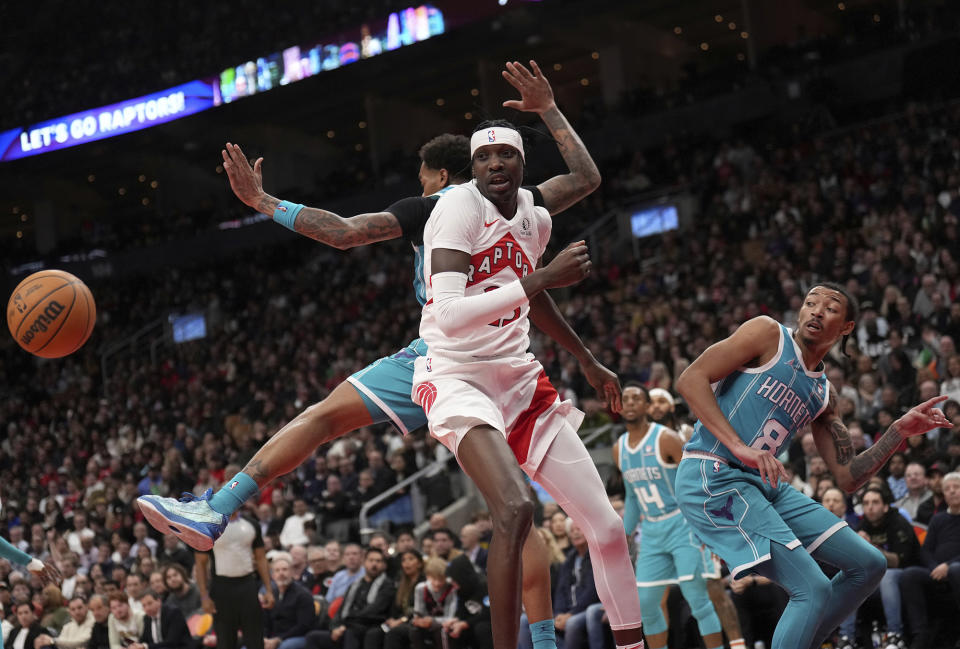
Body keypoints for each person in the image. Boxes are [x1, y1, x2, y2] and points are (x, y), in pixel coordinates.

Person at [139, 59, 619, 649]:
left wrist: (264, 203)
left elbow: (343, 232)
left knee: (323, 421)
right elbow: (570, 214)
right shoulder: (515, 206)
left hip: (444, 361)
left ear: (441, 174)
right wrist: (586, 355)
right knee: (514, 515)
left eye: (421, 175)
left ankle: (218, 509)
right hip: (483, 364)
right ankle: (541, 641)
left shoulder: (437, 206)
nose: (417, 185)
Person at [409, 84, 644, 647]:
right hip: (455, 376)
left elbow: (534, 297)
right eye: (484, 157)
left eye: (506, 155)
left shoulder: (535, 220)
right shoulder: (455, 208)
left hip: (518, 378)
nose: (495, 164)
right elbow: (448, 312)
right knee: (514, 508)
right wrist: (539, 277)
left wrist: (586, 360)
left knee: (608, 528)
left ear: (521, 164)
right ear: (471, 168)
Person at [674, 283, 951, 649]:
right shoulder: (767, 333)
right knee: (812, 587)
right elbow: (690, 378)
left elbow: (848, 476)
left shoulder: (823, 394)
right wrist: (741, 447)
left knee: (868, 564)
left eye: (830, 307)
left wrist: (897, 431)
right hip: (713, 473)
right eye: (810, 303)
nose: (816, 311)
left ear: (847, 327)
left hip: (762, 484)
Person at [613, 384, 724, 649]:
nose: (629, 403)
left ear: (647, 407)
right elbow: (631, 497)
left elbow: (697, 476)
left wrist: (705, 523)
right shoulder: (619, 449)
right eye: (625, 399)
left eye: (636, 398)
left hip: (681, 523)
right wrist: (625, 534)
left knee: (696, 597)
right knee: (647, 604)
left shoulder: (665, 438)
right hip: (651, 531)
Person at [645, 387, 746, 649]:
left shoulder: (687, 434)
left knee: (713, 590)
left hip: (696, 519)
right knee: (658, 597)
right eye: (651, 403)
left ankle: (737, 644)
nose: (655, 407)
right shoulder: (644, 442)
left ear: (671, 407)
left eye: (660, 402)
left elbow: (705, 476)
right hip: (665, 528)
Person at [837, 487, 920, 648]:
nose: (870, 507)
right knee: (851, 577)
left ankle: (895, 635)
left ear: (885, 506)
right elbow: (855, 562)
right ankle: (846, 638)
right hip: (876, 580)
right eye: (866, 503)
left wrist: (870, 548)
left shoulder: (898, 522)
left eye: (875, 502)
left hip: (906, 575)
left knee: (888, 576)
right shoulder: (863, 525)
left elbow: (898, 561)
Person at [194, 485, 275, 649]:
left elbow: (260, 558)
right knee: (225, 641)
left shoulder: (252, 524)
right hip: (221, 588)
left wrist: (268, 589)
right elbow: (200, 564)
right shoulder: (208, 526)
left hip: (248, 585)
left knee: (255, 639)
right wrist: (204, 596)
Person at [899, 471, 960, 649]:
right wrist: (935, 567)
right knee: (910, 575)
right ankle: (920, 634)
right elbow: (925, 550)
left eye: (956, 487)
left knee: (957, 569)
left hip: (956, 570)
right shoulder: (938, 518)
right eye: (947, 489)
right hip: (937, 571)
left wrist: (947, 566)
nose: (952, 491)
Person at [304, 548, 396, 649]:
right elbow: (341, 610)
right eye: (371, 560)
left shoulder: (387, 585)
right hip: (347, 626)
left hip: (369, 626)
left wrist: (346, 625)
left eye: (378, 561)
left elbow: (374, 610)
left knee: (351, 633)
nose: (374, 564)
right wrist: (335, 627)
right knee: (312, 637)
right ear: (364, 562)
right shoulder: (355, 585)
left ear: (384, 565)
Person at [263, 555, 317, 649]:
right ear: (273, 576)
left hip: (298, 637)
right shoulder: (271, 595)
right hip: (274, 637)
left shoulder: (303, 594)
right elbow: (265, 623)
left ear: (292, 573)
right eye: (277, 570)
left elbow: (304, 625)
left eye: (284, 569)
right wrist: (264, 638)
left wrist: (279, 639)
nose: (281, 573)